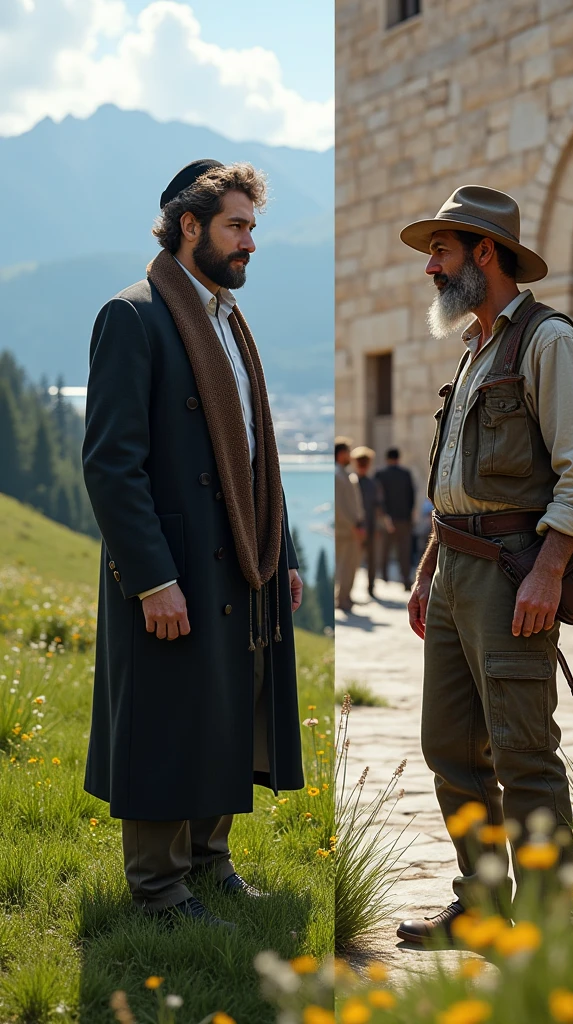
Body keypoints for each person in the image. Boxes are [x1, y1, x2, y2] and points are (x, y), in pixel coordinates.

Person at [82, 159, 305, 926]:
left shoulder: (227, 321)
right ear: (190, 226)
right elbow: (112, 464)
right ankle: (158, 890)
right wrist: (150, 578)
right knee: (169, 714)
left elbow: (254, 451)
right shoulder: (133, 315)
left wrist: (286, 555)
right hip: (173, 566)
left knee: (224, 709)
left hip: (240, 559)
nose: (249, 243)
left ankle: (211, 865)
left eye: (252, 227)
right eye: (236, 227)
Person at [396, 184, 573, 943]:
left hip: (514, 574)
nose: (430, 266)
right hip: (454, 572)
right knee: (451, 748)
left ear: (485, 254)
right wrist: (427, 571)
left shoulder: (548, 341)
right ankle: (483, 909)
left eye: (442, 249)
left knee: (523, 752)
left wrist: (550, 570)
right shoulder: (475, 348)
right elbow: (453, 485)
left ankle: (549, 930)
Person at [375, 448, 416, 589]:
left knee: (384, 549)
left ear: (387, 458)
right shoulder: (406, 474)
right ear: (398, 458)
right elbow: (412, 496)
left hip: (387, 519)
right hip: (404, 519)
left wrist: (382, 516)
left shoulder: (380, 474)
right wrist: (410, 515)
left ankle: (384, 577)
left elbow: (377, 498)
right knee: (404, 551)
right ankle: (405, 579)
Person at [334, 438, 365, 611]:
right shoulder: (337, 475)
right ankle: (342, 598)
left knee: (351, 565)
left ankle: (346, 596)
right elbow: (339, 506)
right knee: (345, 566)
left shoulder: (345, 474)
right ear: (340, 454)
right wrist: (352, 525)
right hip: (346, 531)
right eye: (348, 452)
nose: (351, 455)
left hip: (352, 529)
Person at [351, 445, 383, 598]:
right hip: (356, 528)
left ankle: (371, 587)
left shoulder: (372, 483)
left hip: (369, 526)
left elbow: (378, 507)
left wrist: (377, 527)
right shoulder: (352, 482)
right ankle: (348, 591)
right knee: (352, 561)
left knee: (371, 560)